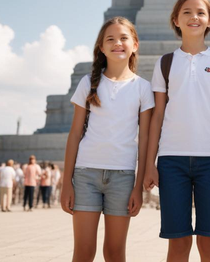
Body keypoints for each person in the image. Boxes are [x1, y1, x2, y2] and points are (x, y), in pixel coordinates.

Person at [144, 0, 210, 262]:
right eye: (186, 12)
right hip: (171, 161)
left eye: (200, 12)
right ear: (176, 20)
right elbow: (157, 117)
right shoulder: (165, 63)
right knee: (179, 243)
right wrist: (150, 163)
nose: (193, 17)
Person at [61, 17, 153, 262]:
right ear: (101, 47)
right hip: (85, 176)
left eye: (124, 38)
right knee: (83, 252)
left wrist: (138, 186)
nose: (117, 43)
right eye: (110, 39)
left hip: (122, 178)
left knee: (114, 253)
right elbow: (74, 135)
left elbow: (144, 140)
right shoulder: (88, 83)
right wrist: (66, 183)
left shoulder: (143, 88)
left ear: (135, 44)